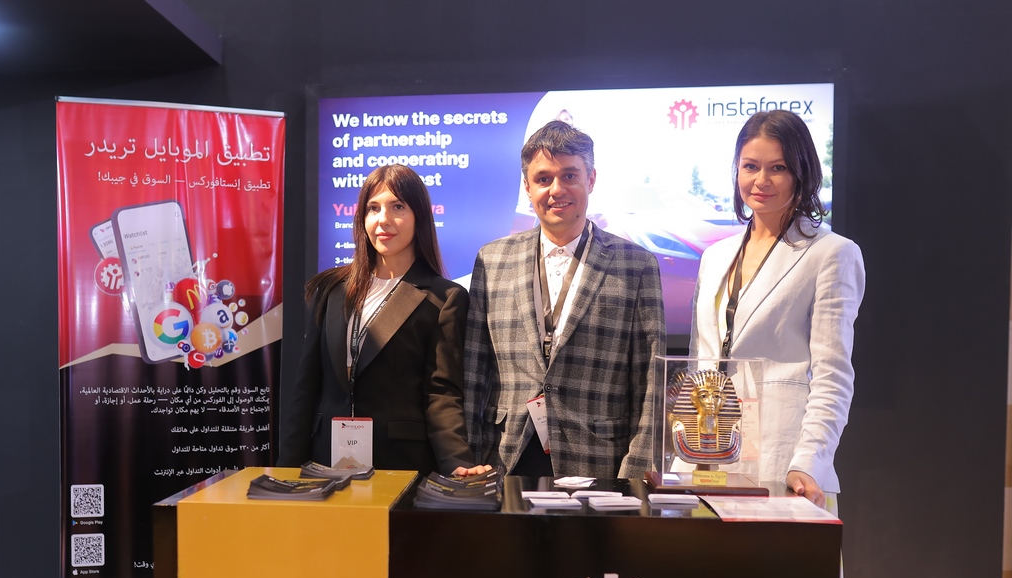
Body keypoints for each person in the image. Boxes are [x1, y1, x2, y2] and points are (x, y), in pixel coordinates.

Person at [464, 120, 665, 478]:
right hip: (505, 457)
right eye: (543, 179)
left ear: (591, 179)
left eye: (569, 176)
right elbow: (475, 371)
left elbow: (650, 378)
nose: (556, 190)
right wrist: (468, 455)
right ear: (527, 187)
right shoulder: (492, 260)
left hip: (598, 459)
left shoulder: (636, 265)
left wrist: (636, 472)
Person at [689, 109, 865, 509]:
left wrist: (809, 463)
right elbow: (702, 359)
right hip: (709, 459)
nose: (761, 180)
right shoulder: (715, 257)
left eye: (778, 168)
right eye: (750, 166)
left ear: (802, 174)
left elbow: (833, 375)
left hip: (784, 466)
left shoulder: (831, 253)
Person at [279, 164, 479, 475]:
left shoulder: (444, 298)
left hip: (399, 465)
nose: (383, 219)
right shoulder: (331, 289)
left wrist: (457, 463)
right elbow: (306, 388)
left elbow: (441, 394)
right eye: (373, 208)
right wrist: (286, 470)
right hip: (326, 461)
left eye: (397, 207)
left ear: (419, 216)